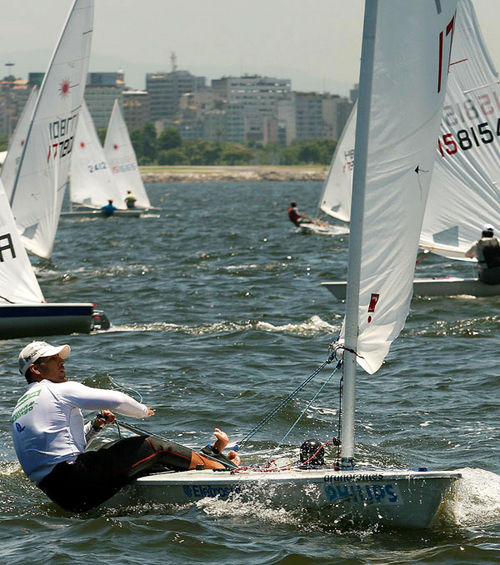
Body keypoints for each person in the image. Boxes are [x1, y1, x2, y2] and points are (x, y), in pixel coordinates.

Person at [11, 341, 241, 513]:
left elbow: (63, 447)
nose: (62, 362)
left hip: (62, 495)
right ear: (36, 370)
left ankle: (208, 458)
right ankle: (227, 469)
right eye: (53, 359)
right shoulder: (54, 389)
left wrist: (96, 425)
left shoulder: (21, 407)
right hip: (76, 478)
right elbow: (118, 400)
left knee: (142, 460)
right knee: (152, 447)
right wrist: (143, 411)